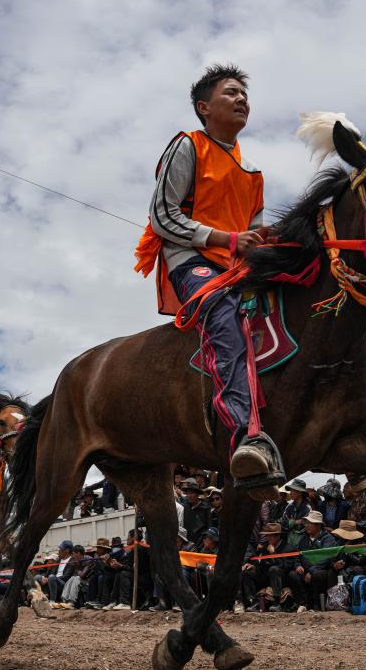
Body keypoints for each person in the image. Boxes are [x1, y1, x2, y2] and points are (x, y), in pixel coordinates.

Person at [134, 63, 283, 499]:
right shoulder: (188, 145)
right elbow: (162, 217)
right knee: (225, 315)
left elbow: (253, 230)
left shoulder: (253, 172)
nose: (241, 100)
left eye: (245, 95)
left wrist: (266, 243)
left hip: (236, 264)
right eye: (230, 93)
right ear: (204, 107)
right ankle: (246, 438)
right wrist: (224, 238)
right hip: (191, 259)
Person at [284, 511, 337, 611]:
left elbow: (325, 558)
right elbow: (297, 554)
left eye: (310, 523)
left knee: (317, 575)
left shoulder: (328, 539)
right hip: (305, 570)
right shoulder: (304, 539)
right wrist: (297, 565)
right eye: (306, 523)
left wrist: (311, 571)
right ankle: (303, 604)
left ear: (318, 525)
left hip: (321, 570)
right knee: (292, 574)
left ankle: (317, 605)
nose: (307, 526)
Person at [240, 522, 294, 611]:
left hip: (281, 578)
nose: (267, 538)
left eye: (270, 536)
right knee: (247, 573)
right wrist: (253, 566)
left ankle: (277, 604)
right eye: (267, 535)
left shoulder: (288, 548)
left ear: (277, 536)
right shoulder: (266, 547)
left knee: (274, 569)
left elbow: (285, 567)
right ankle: (253, 602)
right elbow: (260, 562)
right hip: (266, 577)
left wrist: (273, 553)